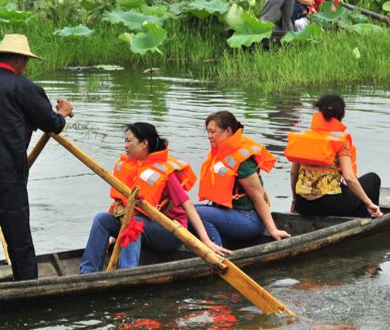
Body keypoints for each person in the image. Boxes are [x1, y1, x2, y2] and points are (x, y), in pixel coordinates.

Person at [0, 34, 74, 281]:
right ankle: (27, 291)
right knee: (18, 239)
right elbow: (52, 123)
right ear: (21, 61)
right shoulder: (23, 87)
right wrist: (63, 113)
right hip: (6, 174)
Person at [79, 123, 229, 274]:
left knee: (135, 223)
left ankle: (126, 273)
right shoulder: (132, 166)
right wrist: (112, 237)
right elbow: (120, 204)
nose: (125, 146)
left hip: (169, 233)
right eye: (125, 141)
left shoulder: (165, 172)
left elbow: (188, 205)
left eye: (129, 141)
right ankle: (87, 271)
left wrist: (206, 241)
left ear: (144, 143)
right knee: (101, 219)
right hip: (143, 226)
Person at [196, 111, 291, 247]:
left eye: (213, 132)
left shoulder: (243, 162)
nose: (209, 136)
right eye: (207, 132)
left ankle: (217, 253)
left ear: (228, 131)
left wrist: (272, 230)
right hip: (230, 213)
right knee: (189, 211)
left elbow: (258, 198)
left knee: (199, 213)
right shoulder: (220, 154)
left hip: (249, 219)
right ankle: (216, 245)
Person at [286, 94, 383, 219]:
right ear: (342, 115)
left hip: (303, 205)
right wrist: (369, 203)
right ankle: (365, 219)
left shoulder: (304, 137)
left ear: (319, 112)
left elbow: (294, 174)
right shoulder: (339, 140)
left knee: (345, 189)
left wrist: (295, 199)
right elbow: (349, 178)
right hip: (330, 204)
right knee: (373, 179)